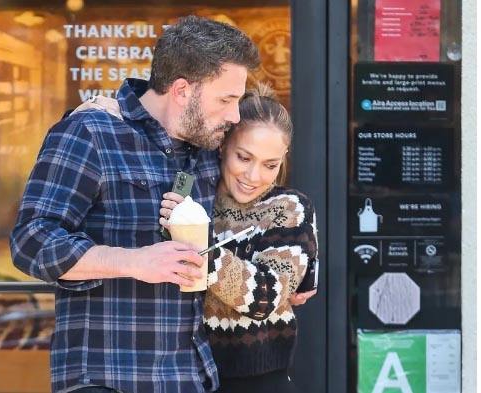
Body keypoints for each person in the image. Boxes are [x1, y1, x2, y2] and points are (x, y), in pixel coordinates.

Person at [10, 15, 260, 393]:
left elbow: (266, 162)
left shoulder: (209, 147)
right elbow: (30, 241)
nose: (234, 114)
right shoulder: (91, 131)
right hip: (108, 377)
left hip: (190, 376)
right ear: (181, 90)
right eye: (225, 99)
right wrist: (133, 261)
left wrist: (297, 265)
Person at [79, 82, 320, 392]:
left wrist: (197, 243)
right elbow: (160, 121)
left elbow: (266, 296)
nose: (253, 176)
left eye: (270, 165)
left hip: (262, 379)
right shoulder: (192, 194)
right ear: (222, 147)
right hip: (184, 374)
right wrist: (104, 111)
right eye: (243, 158)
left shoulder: (289, 207)